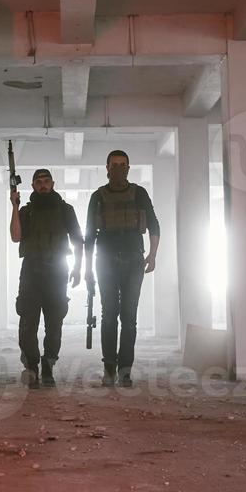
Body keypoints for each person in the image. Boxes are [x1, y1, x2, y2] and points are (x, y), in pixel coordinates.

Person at [84, 150, 161, 387]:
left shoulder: (139, 194)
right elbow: (88, 236)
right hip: (105, 260)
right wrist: (87, 269)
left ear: (129, 167)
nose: (118, 168)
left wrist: (153, 255)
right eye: (114, 165)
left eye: (123, 165)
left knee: (129, 317)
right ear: (107, 168)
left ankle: (125, 370)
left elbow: (154, 225)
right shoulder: (97, 196)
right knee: (109, 316)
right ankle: (109, 368)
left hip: (133, 260)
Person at [9, 168, 84, 388]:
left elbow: (78, 240)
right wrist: (14, 205)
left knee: (54, 323)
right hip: (32, 270)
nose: (42, 185)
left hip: (57, 271)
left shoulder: (65, 210)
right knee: (27, 323)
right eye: (38, 182)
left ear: (53, 183)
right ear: (32, 186)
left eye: (46, 181)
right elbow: (15, 237)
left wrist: (78, 268)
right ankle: (32, 366)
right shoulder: (26, 211)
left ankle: (48, 365)